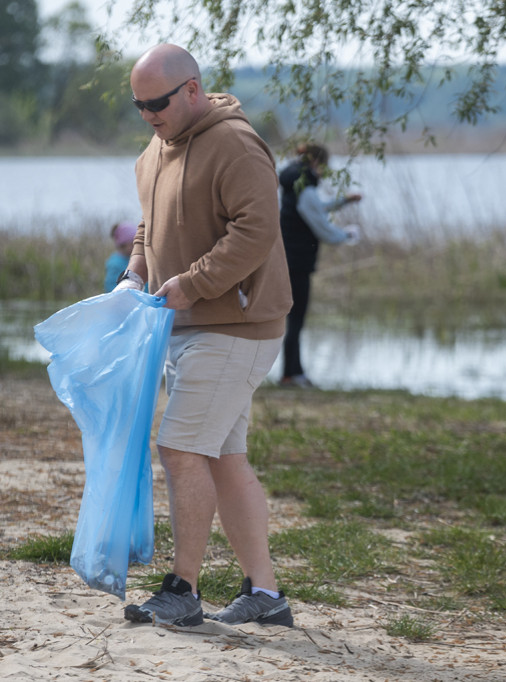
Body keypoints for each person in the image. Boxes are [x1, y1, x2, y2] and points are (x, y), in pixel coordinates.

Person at [113, 43, 294, 627]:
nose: (148, 115)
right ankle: (266, 598)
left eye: (156, 103)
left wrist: (191, 284)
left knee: (181, 448)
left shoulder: (235, 144)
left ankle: (183, 591)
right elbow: (148, 225)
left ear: (191, 89)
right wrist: (132, 275)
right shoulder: (155, 150)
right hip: (185, 326)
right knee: (221, 457)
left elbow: (257, 230)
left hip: (236, 326)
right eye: (139, 105)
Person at [278, 143, 363, 388]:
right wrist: (345, 236)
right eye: (325, 165)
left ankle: (292, 373)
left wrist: (343, 201)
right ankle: (291, 374)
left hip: (288, 258)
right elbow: (320, 224)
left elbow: (316, 207)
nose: (326, 171)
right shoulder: (304, 185)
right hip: (298, 261)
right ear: (317, 162)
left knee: (293, 318)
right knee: (296, 319)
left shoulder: (294, 181)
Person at [104, 221, 138, 292]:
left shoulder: (135, 259)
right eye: (132, 243)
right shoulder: (115, 264)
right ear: (123, 244)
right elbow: (111, 286)